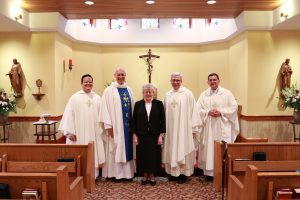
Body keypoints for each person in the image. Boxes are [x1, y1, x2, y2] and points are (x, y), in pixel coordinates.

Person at [59, 74, 105, 178]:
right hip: (78, 133)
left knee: (93, 152)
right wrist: (69, 132)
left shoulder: (97, 98)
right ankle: (79, 174)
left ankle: (94, 175)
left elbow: (102, 116)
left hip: (94, 133)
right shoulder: (74, 98)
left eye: (90, 82)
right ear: (81, 83)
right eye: (86, 82)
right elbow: (68, 115)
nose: (88, 84)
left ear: (92, 83)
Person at [197, 73, 239, 181]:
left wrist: (221, 112)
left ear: (219, 81)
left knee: (222, 147)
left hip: (222, 125)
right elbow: (198, 109)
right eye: (210, 80)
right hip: (209, 127)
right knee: (209, 148)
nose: (212, 82)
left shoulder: (227, 93)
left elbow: (234, 107)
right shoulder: (204, 95)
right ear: (208, 82)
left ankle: (221, 172)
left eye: (214, 79)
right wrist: (208, 112)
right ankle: (209, 173)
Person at [162, 72, 201, 184]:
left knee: (183, 147)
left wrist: (193, 129)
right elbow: (164, 112)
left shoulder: (187, 94)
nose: (175, 82)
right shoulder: (167, 95)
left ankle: (183, 173)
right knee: (171, 148)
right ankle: (173, 173)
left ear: (181, 81)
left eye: (177, 80)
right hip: (171, 130)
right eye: (173, 80)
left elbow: (194, 111)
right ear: (170, 81)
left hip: (184, 129)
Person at [100, 68, 135, 181]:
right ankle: (116, 174)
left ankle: (127, 174)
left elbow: (133, 108)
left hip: (127, 127)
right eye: (118, 75)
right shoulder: (109, 90)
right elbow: (104, 109)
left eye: (122, 75)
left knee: (127, 147)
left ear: (125, 76)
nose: (120, 77)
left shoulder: (129, 89)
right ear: (114, 75)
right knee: (115, 148)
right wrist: (108, 126)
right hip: (115, 127)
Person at [132, 83, 165, 186]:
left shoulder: (159, 104)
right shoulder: (138, 104)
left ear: (153, 93)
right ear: (143, 93)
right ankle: (145, 175)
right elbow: (134, 121)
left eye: (150, 92)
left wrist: (161, 135)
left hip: (154, 135)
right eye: (146, 92)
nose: (148, 94)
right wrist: (134, 135)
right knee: (143, 156)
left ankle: (152, 176)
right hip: (141, 135)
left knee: (153, 156)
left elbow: (163, 120)